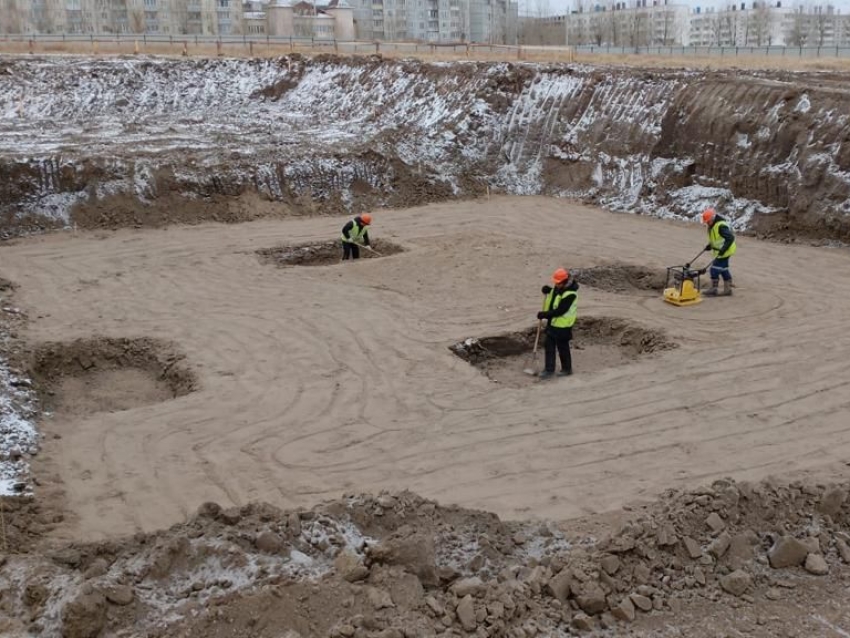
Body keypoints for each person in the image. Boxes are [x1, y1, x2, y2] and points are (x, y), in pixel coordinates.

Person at [537, 268, 579, 379]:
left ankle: (567, 369)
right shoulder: (559, 288)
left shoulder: (571, 295)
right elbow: (555, 295)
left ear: (565, 282)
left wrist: (545, 314)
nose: (556, 285)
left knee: (562, 348)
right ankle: (549, 370)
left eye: (558, 283)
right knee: (549, 345)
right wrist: (549, 290)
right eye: (555, 283)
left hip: (563, 327)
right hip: (553, 324)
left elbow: (560, 310)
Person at [701, 208, 737, 296]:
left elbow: (730, 238)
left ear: (712, 219)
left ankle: (713, 290)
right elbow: (717, 239)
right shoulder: (712, 225)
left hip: (726, 251)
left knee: (714, 269)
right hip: (722, 251)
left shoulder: (721, 226)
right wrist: (710, 246)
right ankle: (728, 290)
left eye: (708, 221)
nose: (707, 223)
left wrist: (723, 250)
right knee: (723, 269)